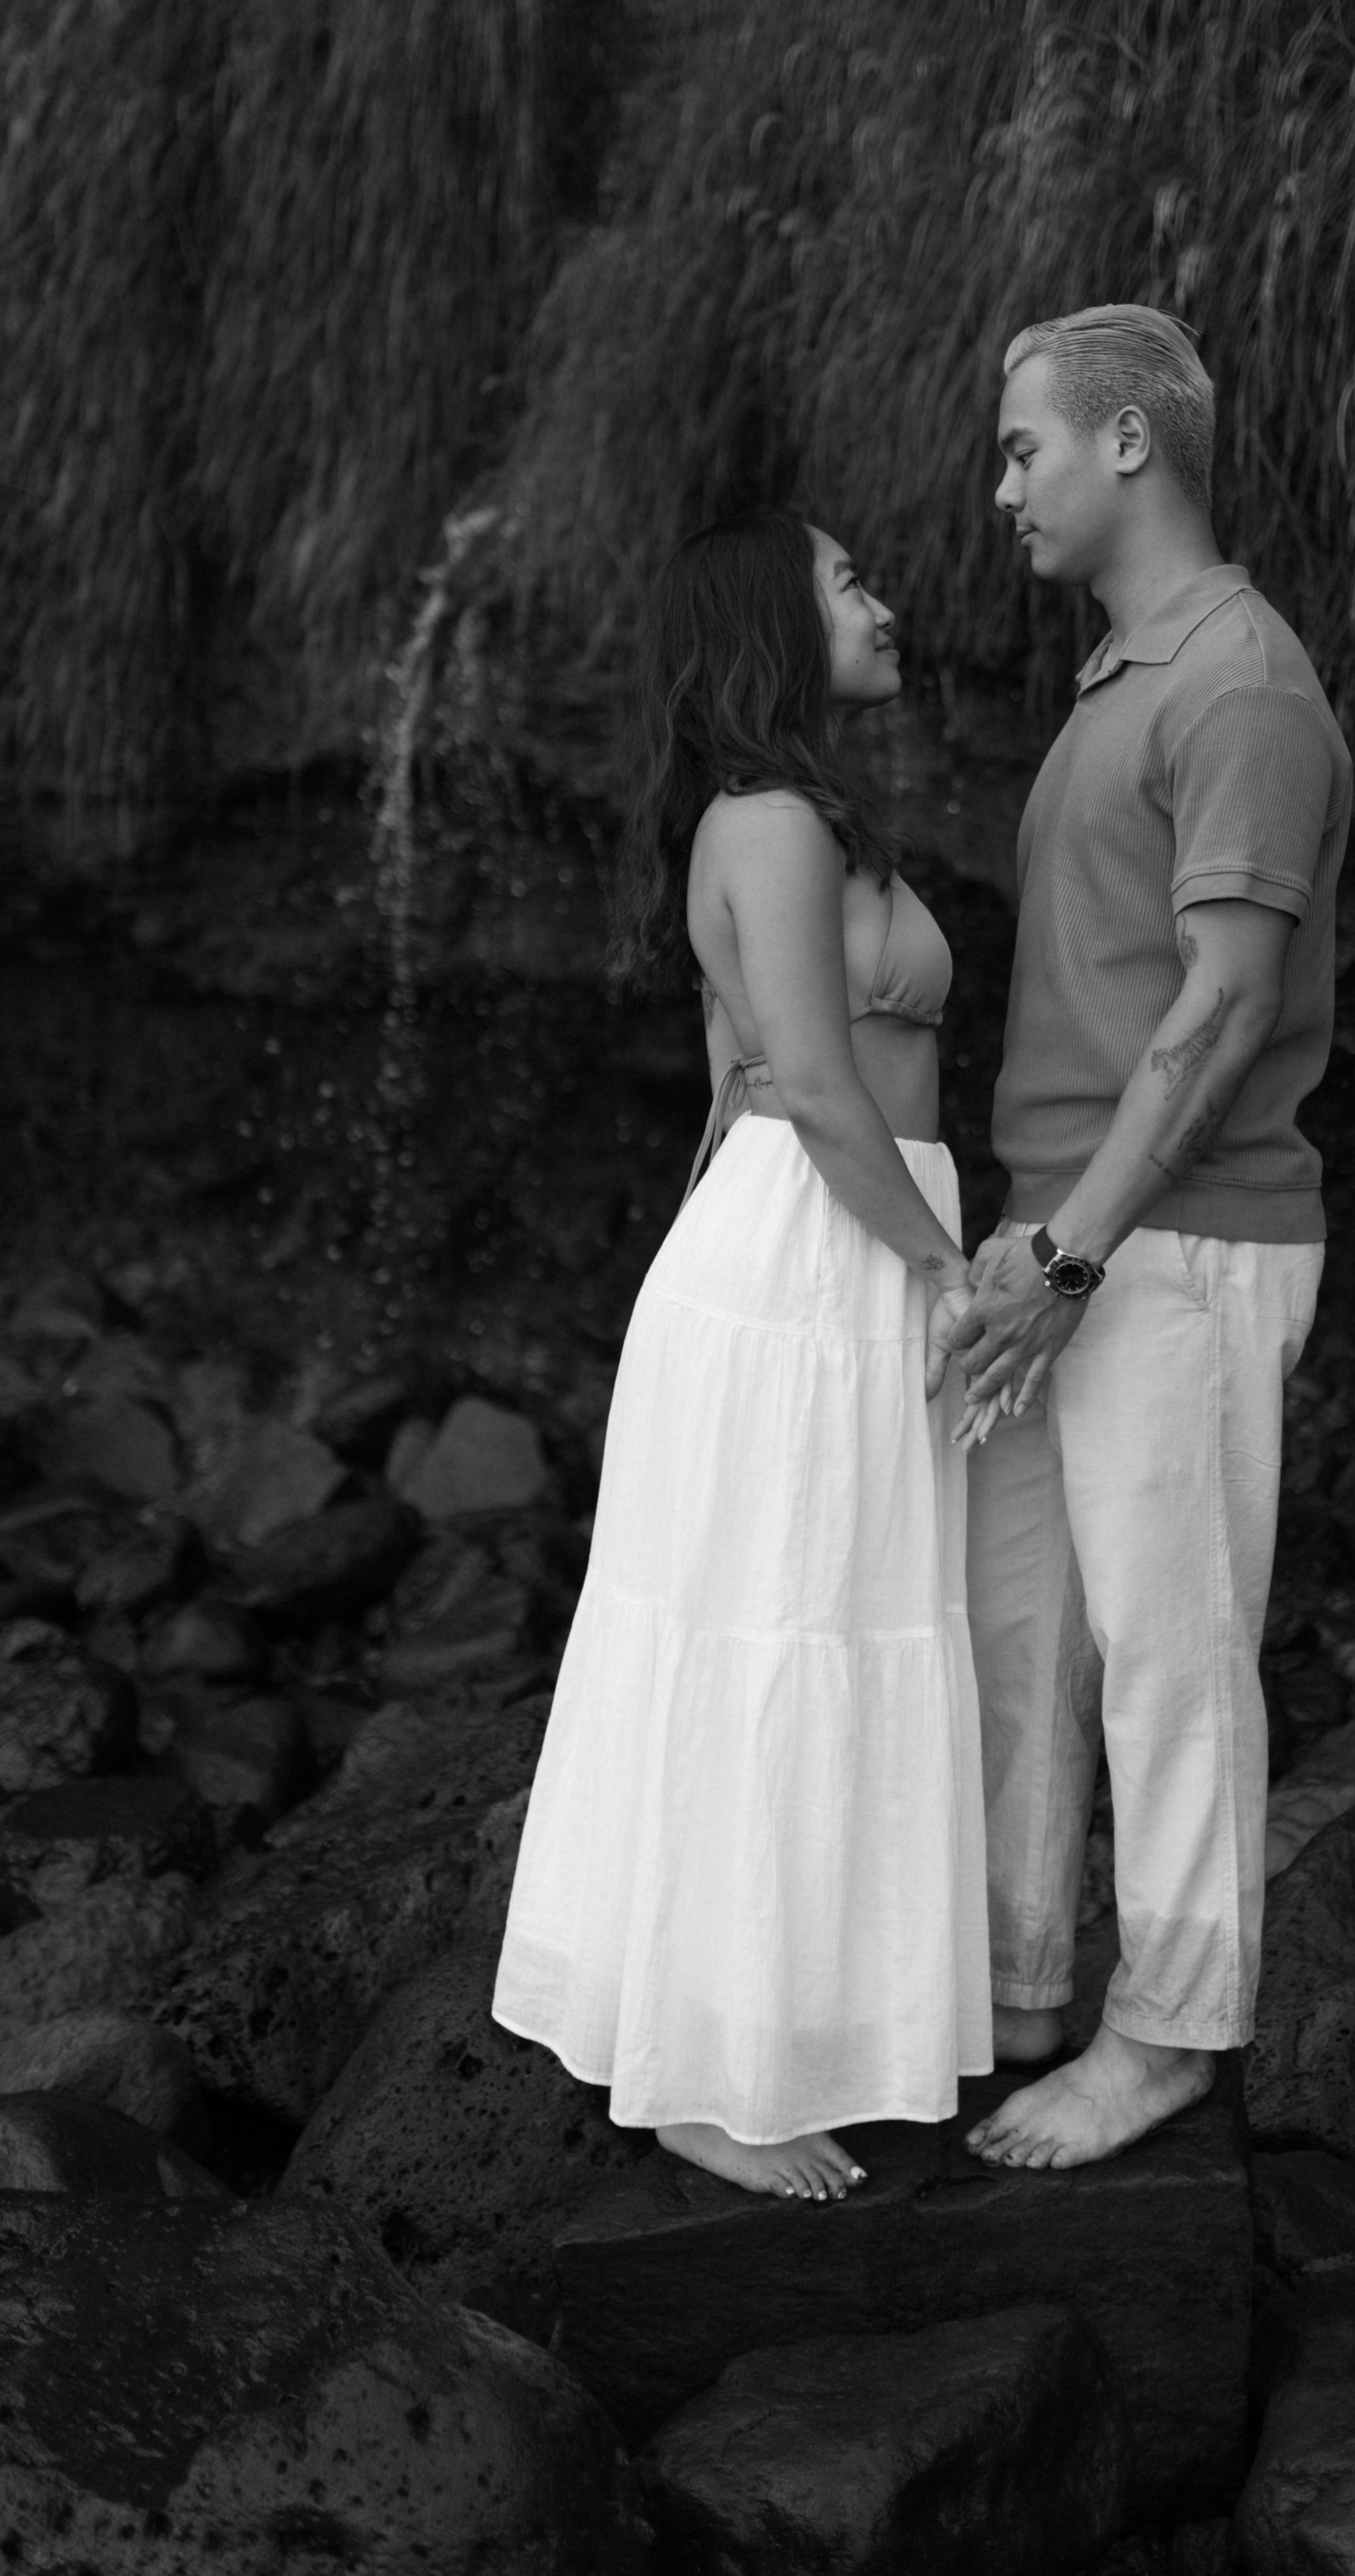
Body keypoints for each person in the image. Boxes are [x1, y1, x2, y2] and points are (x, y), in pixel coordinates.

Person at [491, 504, 991, 2201]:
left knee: (831, 1622)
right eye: (849, 577)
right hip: (811, 1256)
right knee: (774, 1628)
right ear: (776, 623)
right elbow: (816, 1086)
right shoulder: (767, 823)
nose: (883, 595)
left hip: (820, 1247)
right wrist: (952, 1275)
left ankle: (798, 2027)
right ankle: (703, 2076)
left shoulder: (799, 817)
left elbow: (756, 1082)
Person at [949, 304, 1351, 2172]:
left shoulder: (1239, 683)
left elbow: (1218, 1010)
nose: (1000, 486)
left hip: (1168, 1245)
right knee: (1024, 1638)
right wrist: (1033, 1245)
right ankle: (1023, 1983)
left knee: (1173, 1645)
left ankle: (1169, 2027)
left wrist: (1077, 1254)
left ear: (1128, 442)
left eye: (1022, 447)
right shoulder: (1119, 680)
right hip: (1067, 1236)